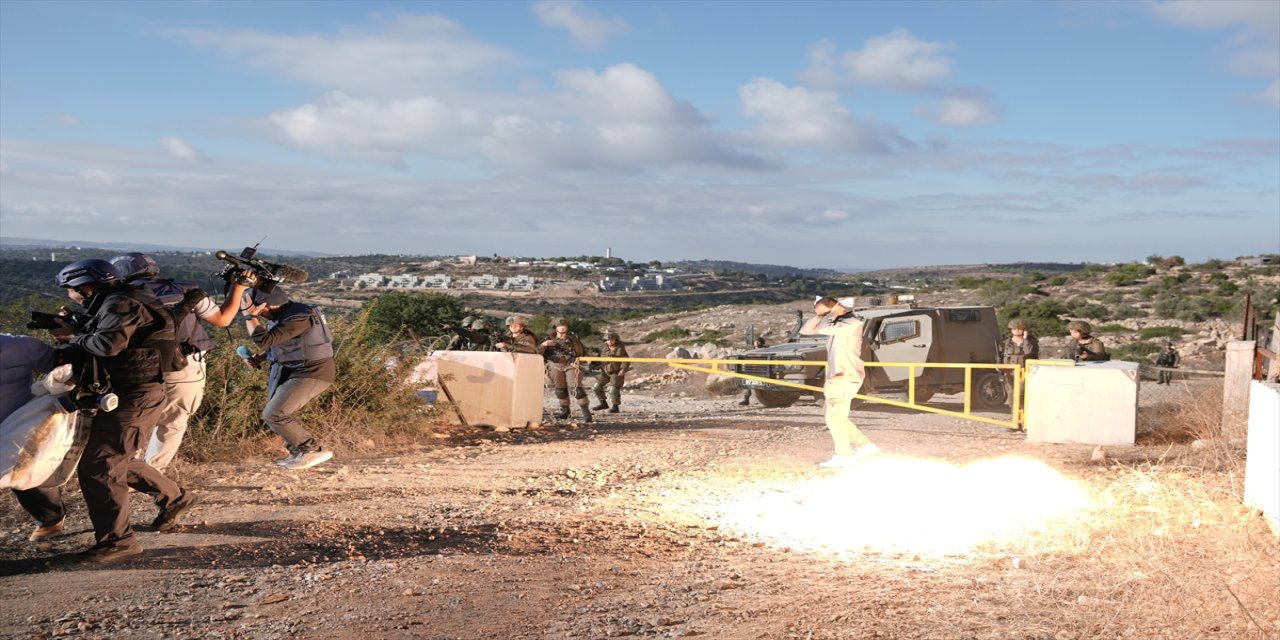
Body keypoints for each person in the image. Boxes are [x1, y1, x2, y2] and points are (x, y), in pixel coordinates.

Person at [48, 259, 198, 562]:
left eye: (71, 291)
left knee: (100, 466)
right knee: (113, 458)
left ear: (87, 288)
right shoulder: (121, 299)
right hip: (131, 393)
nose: (71, 296)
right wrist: (78, 326)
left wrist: (71, 336)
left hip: (135, 396)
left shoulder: (121, 303)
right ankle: (175, 497)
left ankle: (118, 541)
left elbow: (107, 345)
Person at [110, 252, 242, 471]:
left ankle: (124, 468)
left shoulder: (118, 297)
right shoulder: (187, 291)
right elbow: (222, 319)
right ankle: (152, 473)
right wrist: (239, 288)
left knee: (135, 419)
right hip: (184, 365)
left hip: (136, 367)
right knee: (173, 422)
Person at [236, 282, 336, 470]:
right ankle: (298, 453)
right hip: (291, 368)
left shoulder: (298, 318)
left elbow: (264, 340)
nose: (260, 314)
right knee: (276, 412)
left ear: (265, 305)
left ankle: (312, 450)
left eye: (259, 310)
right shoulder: (285, 314)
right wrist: (262, 358)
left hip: (313, 371)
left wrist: (250, 315)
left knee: (274, 414)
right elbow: (288, 345)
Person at [799, 296, 879, 467]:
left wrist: (828, 314)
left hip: (844, 376)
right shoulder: (837, 324)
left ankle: (844, 454)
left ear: (836, 308)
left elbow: (824, 329)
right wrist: (820, 316)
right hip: (838, 377)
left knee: (834, 417)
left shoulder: (851, 323)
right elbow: (805, 331)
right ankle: (865, 445)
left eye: (824, 312)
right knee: (836, 417)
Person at [2, 333, 66, 542]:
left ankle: (51, 519)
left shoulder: (19, 346)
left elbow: (59, 365)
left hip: (18, 423)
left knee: (27, 473)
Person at [539, 317, 592, 422]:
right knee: (560, 389)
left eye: (564, 326)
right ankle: (565, 411)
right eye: (559, 326)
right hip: (554, 365)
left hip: (571, 365)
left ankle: (586, 412)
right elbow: (537, 352)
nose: (562, 328)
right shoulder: (548, 339)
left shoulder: (574, 340)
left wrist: (579, 362)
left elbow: (582, 353)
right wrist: (543, 345)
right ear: (555, 327)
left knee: (576, 388)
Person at [591, 332, 630, 413]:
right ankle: (603, 403)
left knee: (613, 390)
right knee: (596, 387)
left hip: (616, 372)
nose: (609, 342)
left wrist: (623, 369)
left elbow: (626, 360)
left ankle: (615, 407)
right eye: (608, 340)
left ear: (615, 340)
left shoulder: (620, 348)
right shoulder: (603, 348)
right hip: (604, 371)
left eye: (612, 340)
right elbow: (597, 358)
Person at [737, 336, 767, 406]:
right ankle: (746, 399)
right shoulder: (751, 352)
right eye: (755, 341)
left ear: (761, 343)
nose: (756, 343)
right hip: (751, 370)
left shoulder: (765, 351)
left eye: (758, 341)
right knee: (747, 384)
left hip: (761, 370)